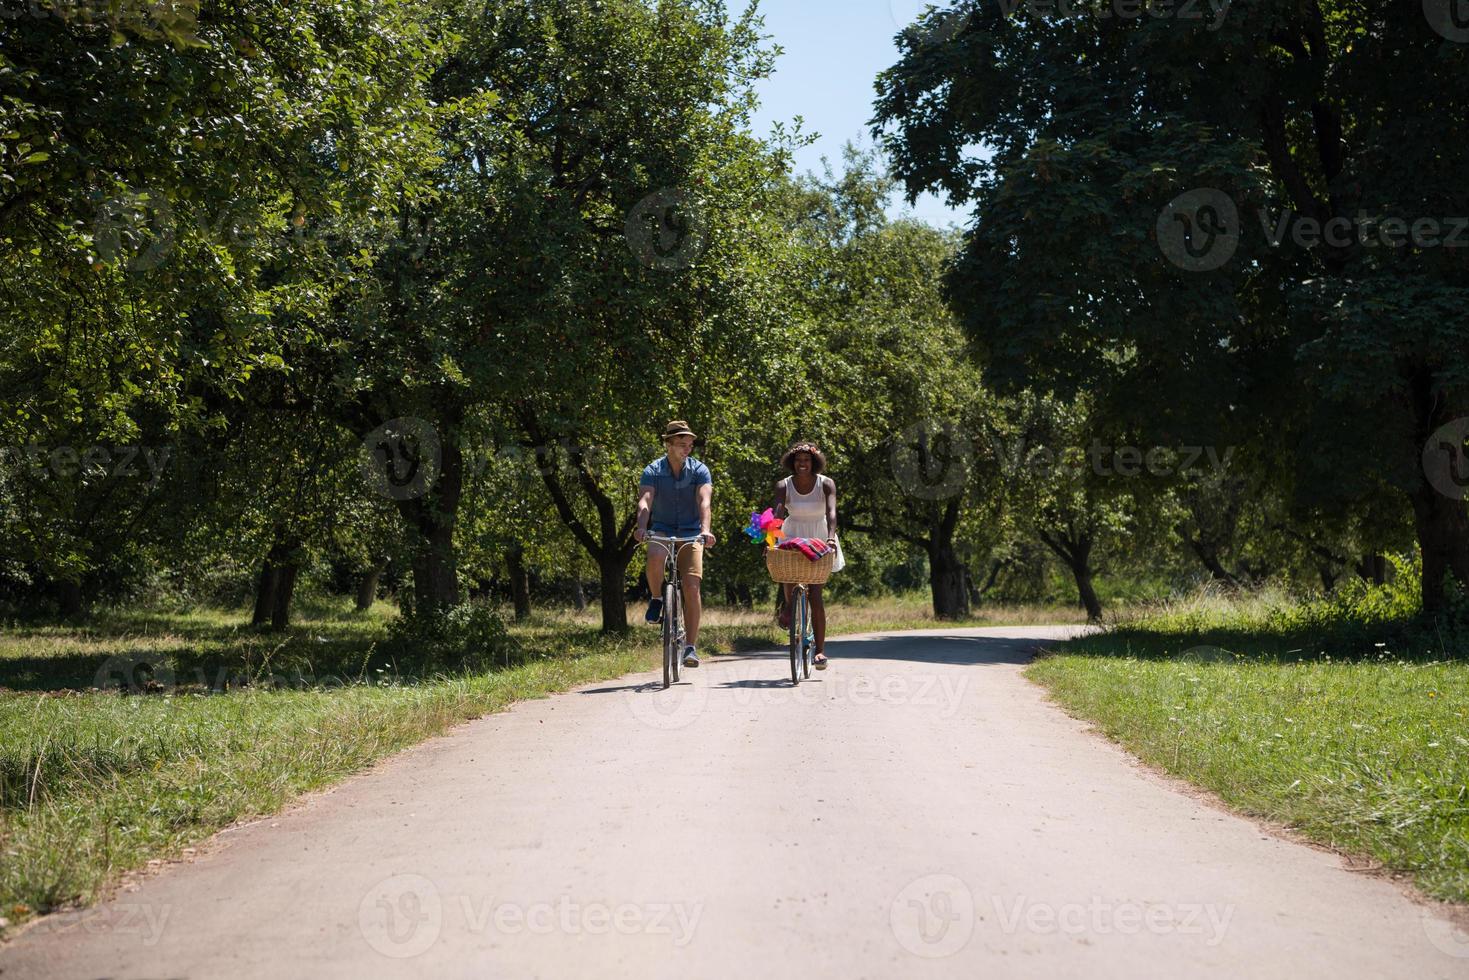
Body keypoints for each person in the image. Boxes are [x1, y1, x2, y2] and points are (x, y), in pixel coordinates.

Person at [634, 420, 716, 667]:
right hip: (662, 529)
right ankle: (658, 598)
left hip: (692, 532)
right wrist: (641, 526)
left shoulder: (700, 470)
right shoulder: (653, 470)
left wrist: (705, 530)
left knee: (692, 586)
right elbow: (645, 501)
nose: (687, 449)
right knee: (655, 556)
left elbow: (704, 502)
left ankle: (690, 647)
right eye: (682, 444)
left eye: (690, 444)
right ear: (668, 444)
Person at [773, 440, 843, 669]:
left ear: (814, 462)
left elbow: (831, 512)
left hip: (819, 535)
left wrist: (831, 537)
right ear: (792, 463)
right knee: (790, 585)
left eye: (806, 460)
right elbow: (778, 512)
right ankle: (790, 610)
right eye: (798, 460)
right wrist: (772, 539)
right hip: (792, 533)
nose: (802, 464)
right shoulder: (784, 485)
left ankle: (820, 651)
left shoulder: (826, 484)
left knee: (815, 594)